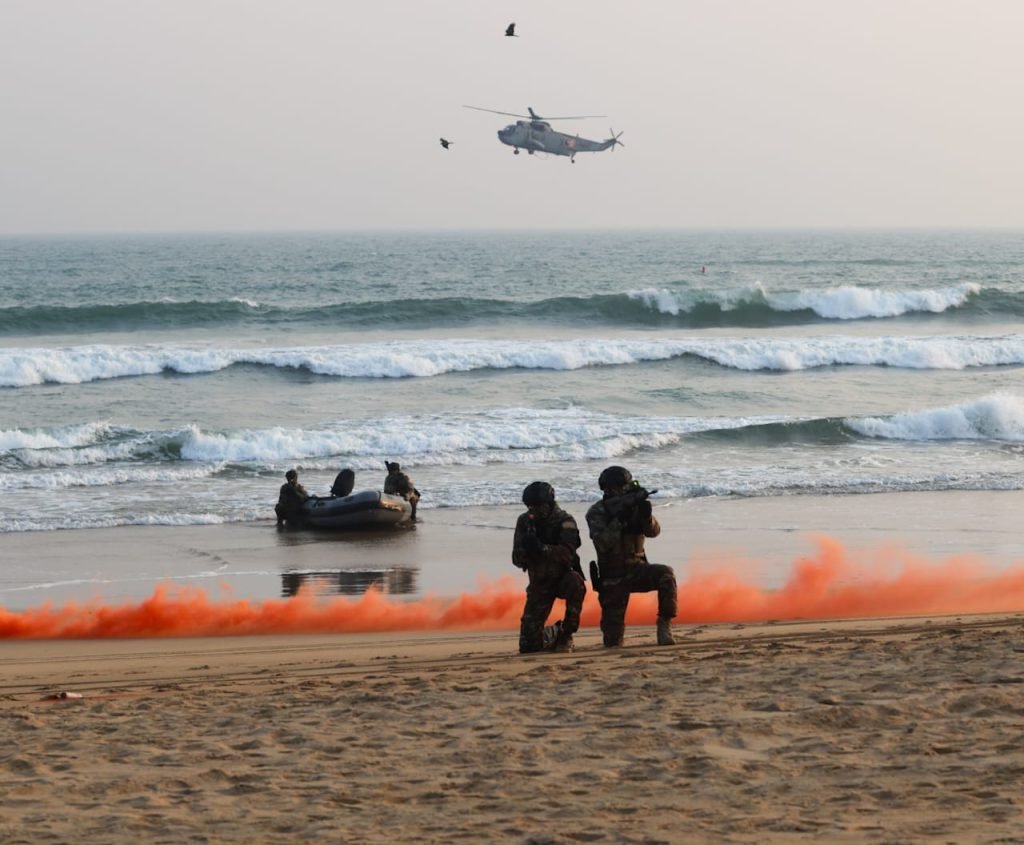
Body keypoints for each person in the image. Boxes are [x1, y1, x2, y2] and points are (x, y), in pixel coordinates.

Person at [585, 465, 677, 647]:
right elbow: (603, 543)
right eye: (614, 488)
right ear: (606, 489)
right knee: (612, 641)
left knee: (666, 574)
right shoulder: (597, 512)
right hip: (612, 577)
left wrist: (646, 516)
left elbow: (654, 532)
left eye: (622, 487)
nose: (619, 491)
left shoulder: (634, 506)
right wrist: (619, 521)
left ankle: (664, 624)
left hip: (637, 569)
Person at [512, 481, 586, 654]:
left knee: (577, 583)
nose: (534, 511)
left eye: (538, 506)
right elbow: (516, 560)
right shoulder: (524, 522)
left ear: (549, 503)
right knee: (528, 647)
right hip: (539, 583)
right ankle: (553, 632)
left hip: (562, 578)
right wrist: (526, 550)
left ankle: (567, 633)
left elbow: (568, 553)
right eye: (530, 506)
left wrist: (542, 548)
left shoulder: (565, 521)